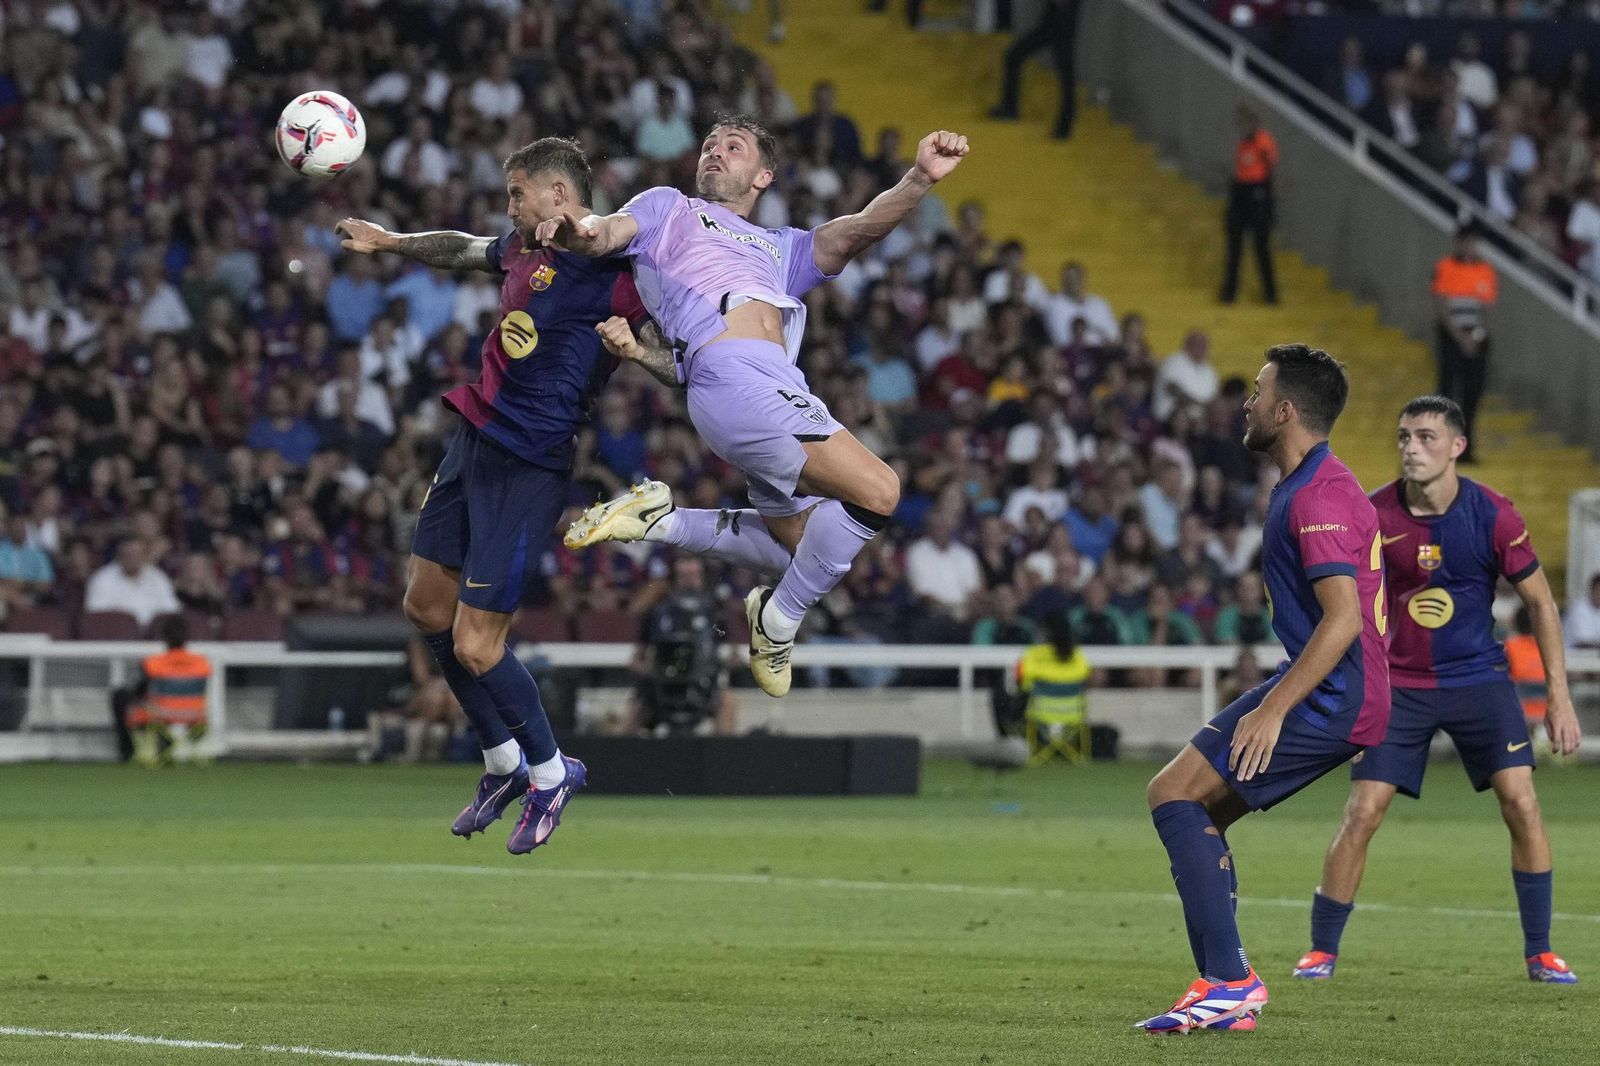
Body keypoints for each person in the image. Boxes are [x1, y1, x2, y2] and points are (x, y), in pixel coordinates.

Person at [542, 114, 968, 699]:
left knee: (796, 541)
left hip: (753, 388)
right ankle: (779, 620)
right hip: (741, 382)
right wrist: (578, 228)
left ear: (764, 174)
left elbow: (859, 229)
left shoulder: (778, 247)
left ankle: (662, 522)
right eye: (710, 145)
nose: (714, 152)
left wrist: (920, 176)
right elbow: (605, 231)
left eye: (733, 146)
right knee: (880, 492)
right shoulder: (670, 208)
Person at [335, 137, 649, 854]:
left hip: (529, 460)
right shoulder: (519, 248)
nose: (509, 207)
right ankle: (503, 761)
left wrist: (643, 350)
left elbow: (672, 315)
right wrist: (390, 242)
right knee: (425, 607)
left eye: (518, 193)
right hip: (475, 439)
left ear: (560, 195)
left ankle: (550, 771)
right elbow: (461, 248)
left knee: (477, 645)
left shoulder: (623, 271)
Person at [1137, 344, 1388, 1033]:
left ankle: (1229, 980)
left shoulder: (1317, 496)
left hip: (1337, 695)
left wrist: (1274, 708)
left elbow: (1343, 618)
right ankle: (1226, 988)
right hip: (1323, 682)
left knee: (1175, 794)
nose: (1245, 403)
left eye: (1256, 390)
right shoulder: (1311, 484)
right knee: (1185, 802)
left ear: (1284, 411)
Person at [1293, 395, 1582, 986]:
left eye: (1426, 437)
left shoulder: (1494, 514)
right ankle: (1321, 951)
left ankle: (1541, 952)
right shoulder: (1373, 514)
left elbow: (1540, 602)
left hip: (1479, 681)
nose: (1411, 449)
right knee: (1363, 811)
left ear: (1457, 446)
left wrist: (1559, 696)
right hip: (1400, 685)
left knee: (1522, 802)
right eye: (1404, 437)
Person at [626, 555, 736, 736]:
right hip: (662, 686)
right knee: (635, 708)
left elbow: (733, 654)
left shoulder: (714, 612)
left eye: (694, 576)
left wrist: (721, 664)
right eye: (684, 576)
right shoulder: (657, 612)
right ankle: (620, 757)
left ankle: (723, 758)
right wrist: (648, 669)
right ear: (674, 579)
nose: (689, 582)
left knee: (727, 701)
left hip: (702, 686)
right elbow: (637, 658)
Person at [1430, 223, 1497, 461]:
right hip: (1451, 337)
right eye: (1467, 241)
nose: (1471, 247)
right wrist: (1460, 338)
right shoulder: (1445, 267)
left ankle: (1467, 449)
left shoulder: (1485, 270)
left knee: (1472, 394)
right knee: (1447, 392)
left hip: (1476, 336)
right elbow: (1442, 306)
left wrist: (1476, 336)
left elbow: (1487, 310)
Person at [120, 615, 212, 766]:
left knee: (123, 699)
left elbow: (140, 692)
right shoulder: (202, 662)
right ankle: (168, 743)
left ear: (165, 638)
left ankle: (131, 751)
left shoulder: (153, 663)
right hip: (196, 716)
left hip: (161, 715)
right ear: (186, 638)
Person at [987, 0, 1080, 140]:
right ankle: (1063, 126)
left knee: (1065, 72)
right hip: (1056, 17)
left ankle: (1064, 125)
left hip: (1061, 17)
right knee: (1064, 72)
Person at [1219, 105, 1279, 306]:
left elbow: (1270, 171)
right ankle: (1229, 293)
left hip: (1258, 193)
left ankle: (1271, 294)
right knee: (1234, 245)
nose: (1244, 125)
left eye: (1248, 121)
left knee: (1261, 247)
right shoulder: (1243, 144)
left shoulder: (1263, 142)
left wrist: (1268, 201)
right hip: (1241, 192)